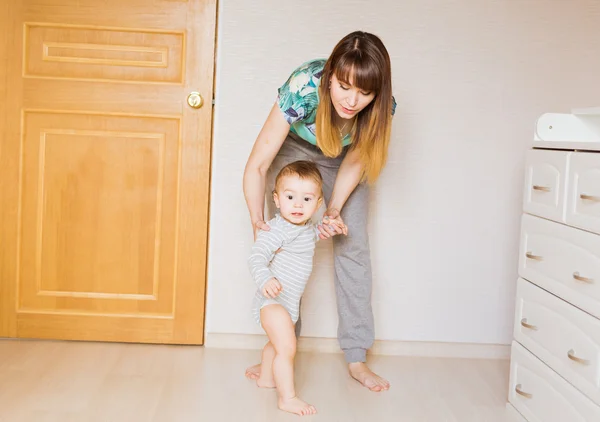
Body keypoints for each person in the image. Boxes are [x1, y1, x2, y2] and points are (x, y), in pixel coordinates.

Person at [243, 30, 396, 393]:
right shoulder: (303, 86)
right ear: (329, 77)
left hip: (343, 158)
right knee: (284, 244)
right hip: (296, 149)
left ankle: (356, 357)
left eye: (364, 92)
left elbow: (357, 158)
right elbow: (258, 164)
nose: (352, 100)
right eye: (344, 86)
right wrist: (258, 224)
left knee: (353, 245)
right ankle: (281, 349)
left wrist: (335, 209)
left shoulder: (382, 107)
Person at [249, 160, 346, 416]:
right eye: (290, 196)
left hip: (289, 302)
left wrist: (332, 228)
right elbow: (256, 257)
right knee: (287, 347)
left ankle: (266, 377)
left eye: (307, 199)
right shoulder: (275, 229)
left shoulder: (304, 229)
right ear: (277, 199)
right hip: (272, 301)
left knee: (276, 344)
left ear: (317, 204)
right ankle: (287, 397)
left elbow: (313, 237)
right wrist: (265, 279)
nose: (298, 204)